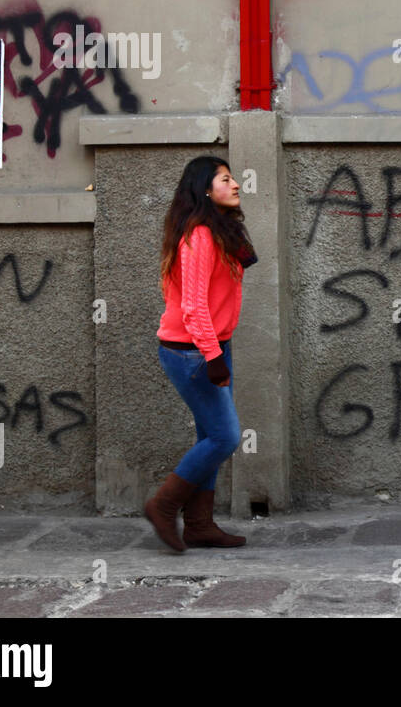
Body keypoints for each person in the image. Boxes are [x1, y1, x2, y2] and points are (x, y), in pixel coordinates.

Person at [145, 156, 258, 551]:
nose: (236, 184)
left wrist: (216, 350)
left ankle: (199, 525)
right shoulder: (199, 237)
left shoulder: (218, 231)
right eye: (226, 179)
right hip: (192, 352)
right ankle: (163, 505)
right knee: (226, 437)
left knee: (209, 433)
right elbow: (192, 306)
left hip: (212, 346)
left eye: (234, 178)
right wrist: (212, 357)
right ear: (206, 189)